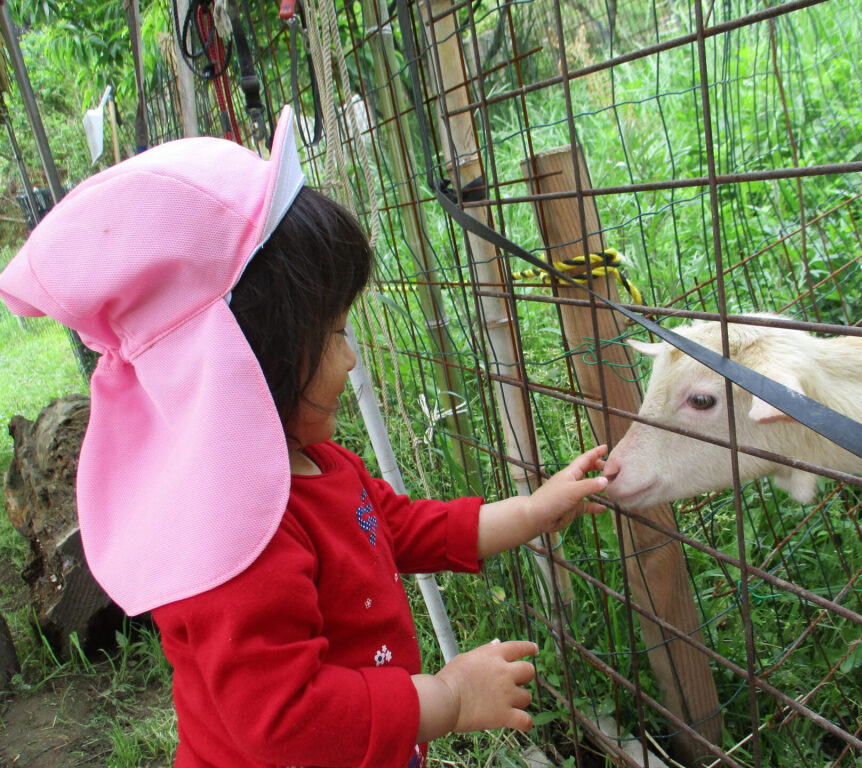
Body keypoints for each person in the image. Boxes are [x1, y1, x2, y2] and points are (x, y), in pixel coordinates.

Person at [0, 106, 608, 768]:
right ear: (247, 356)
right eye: (336, 332)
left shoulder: (315, 465)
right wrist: (449, 698)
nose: (351, 359)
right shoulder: (231, 539)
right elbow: (288, 720)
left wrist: (533, 511)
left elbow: (395, 528)